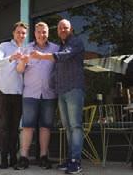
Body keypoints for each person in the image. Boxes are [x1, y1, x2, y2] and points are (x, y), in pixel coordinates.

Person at [30, 19, 85, 174]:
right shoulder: (62, 45)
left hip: (74, 89)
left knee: (75, 126)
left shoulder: (76, 42)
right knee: (68, 127)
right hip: (61, 92)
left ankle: (76, 161)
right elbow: (56, 70)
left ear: (71, 29)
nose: (62, 29)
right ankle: (70, 159)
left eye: (65, 27)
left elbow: (63, 56)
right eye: (60, 27)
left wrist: (41, 56)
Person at [14, 22, 59, 170]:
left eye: (44, 32)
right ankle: (24, 157)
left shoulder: (55, 49)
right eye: (39, 32)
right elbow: (19, 70)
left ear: (48, 33)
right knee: (27, 126)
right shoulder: (27, 49)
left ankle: (43, 157)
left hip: (49, 94)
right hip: (30, 94)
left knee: (45, 127)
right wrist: (23, 62)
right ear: (34, 33)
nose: (42, 35)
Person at [0, 21, 28, 169]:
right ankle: (3, 158)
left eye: (23, 33)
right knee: (4, 127)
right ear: (13, 33)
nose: (21, 35)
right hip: (4, 93)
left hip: (18, 94)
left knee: (14, 128)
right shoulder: (4, 46)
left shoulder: (27, 49)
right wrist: (11, 58)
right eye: (18, 32)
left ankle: (13, 157)